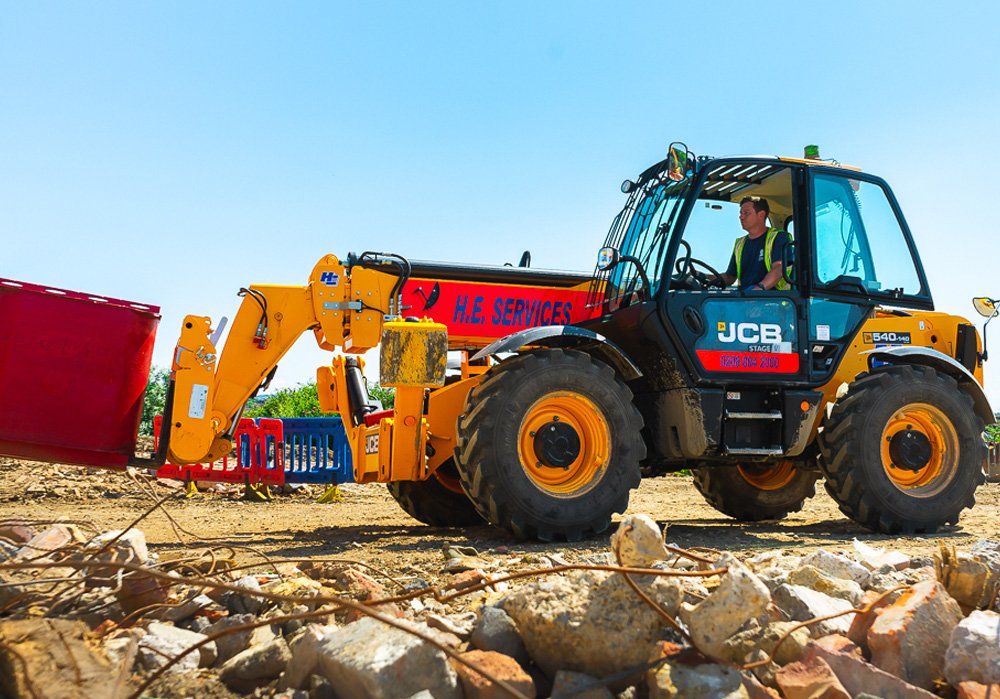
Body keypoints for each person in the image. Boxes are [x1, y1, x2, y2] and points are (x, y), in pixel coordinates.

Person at [713, 196, 792, 291]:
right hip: (747, 295)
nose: (741, 217)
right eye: (740, 213)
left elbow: (778, 269)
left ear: (761, 214)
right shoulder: (740, 244)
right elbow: (730, 277)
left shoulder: (778, 237)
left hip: (773, 297)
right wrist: (704, 277)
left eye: (746, 213)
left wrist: (757, 290)